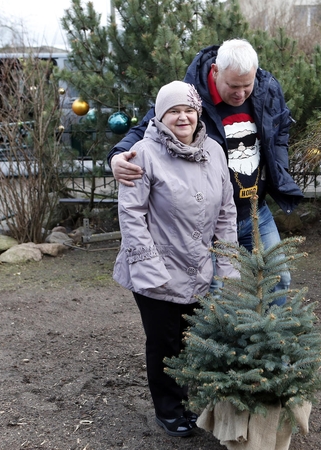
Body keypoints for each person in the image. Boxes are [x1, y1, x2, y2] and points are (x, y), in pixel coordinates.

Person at [107, 38, 303, 302]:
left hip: (257, 212)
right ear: (215, 71)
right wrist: (117, 156)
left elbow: (280, 132)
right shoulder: (190, 95)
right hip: (209, 218)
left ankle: (274, 341)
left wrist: (280, 167)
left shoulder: (266, 90)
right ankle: (202, 344)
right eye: (233, 86)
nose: (241, 94)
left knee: (278, 278)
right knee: (210, 291)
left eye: (247, 86)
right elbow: (148, 126)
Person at [112, 81, 238, 438]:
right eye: (173, 111)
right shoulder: (142, 153)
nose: (182, 116)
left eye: (189, 109)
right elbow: (131, 214)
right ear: (160, 115)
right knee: (166, 342)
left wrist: (228, 264)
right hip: (157, 270)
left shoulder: (214, 150)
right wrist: (151, 270)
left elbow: (227, 212)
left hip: (200, 264)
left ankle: (189, 401)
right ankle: (168, 411)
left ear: (198, 113)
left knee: (191, 338)